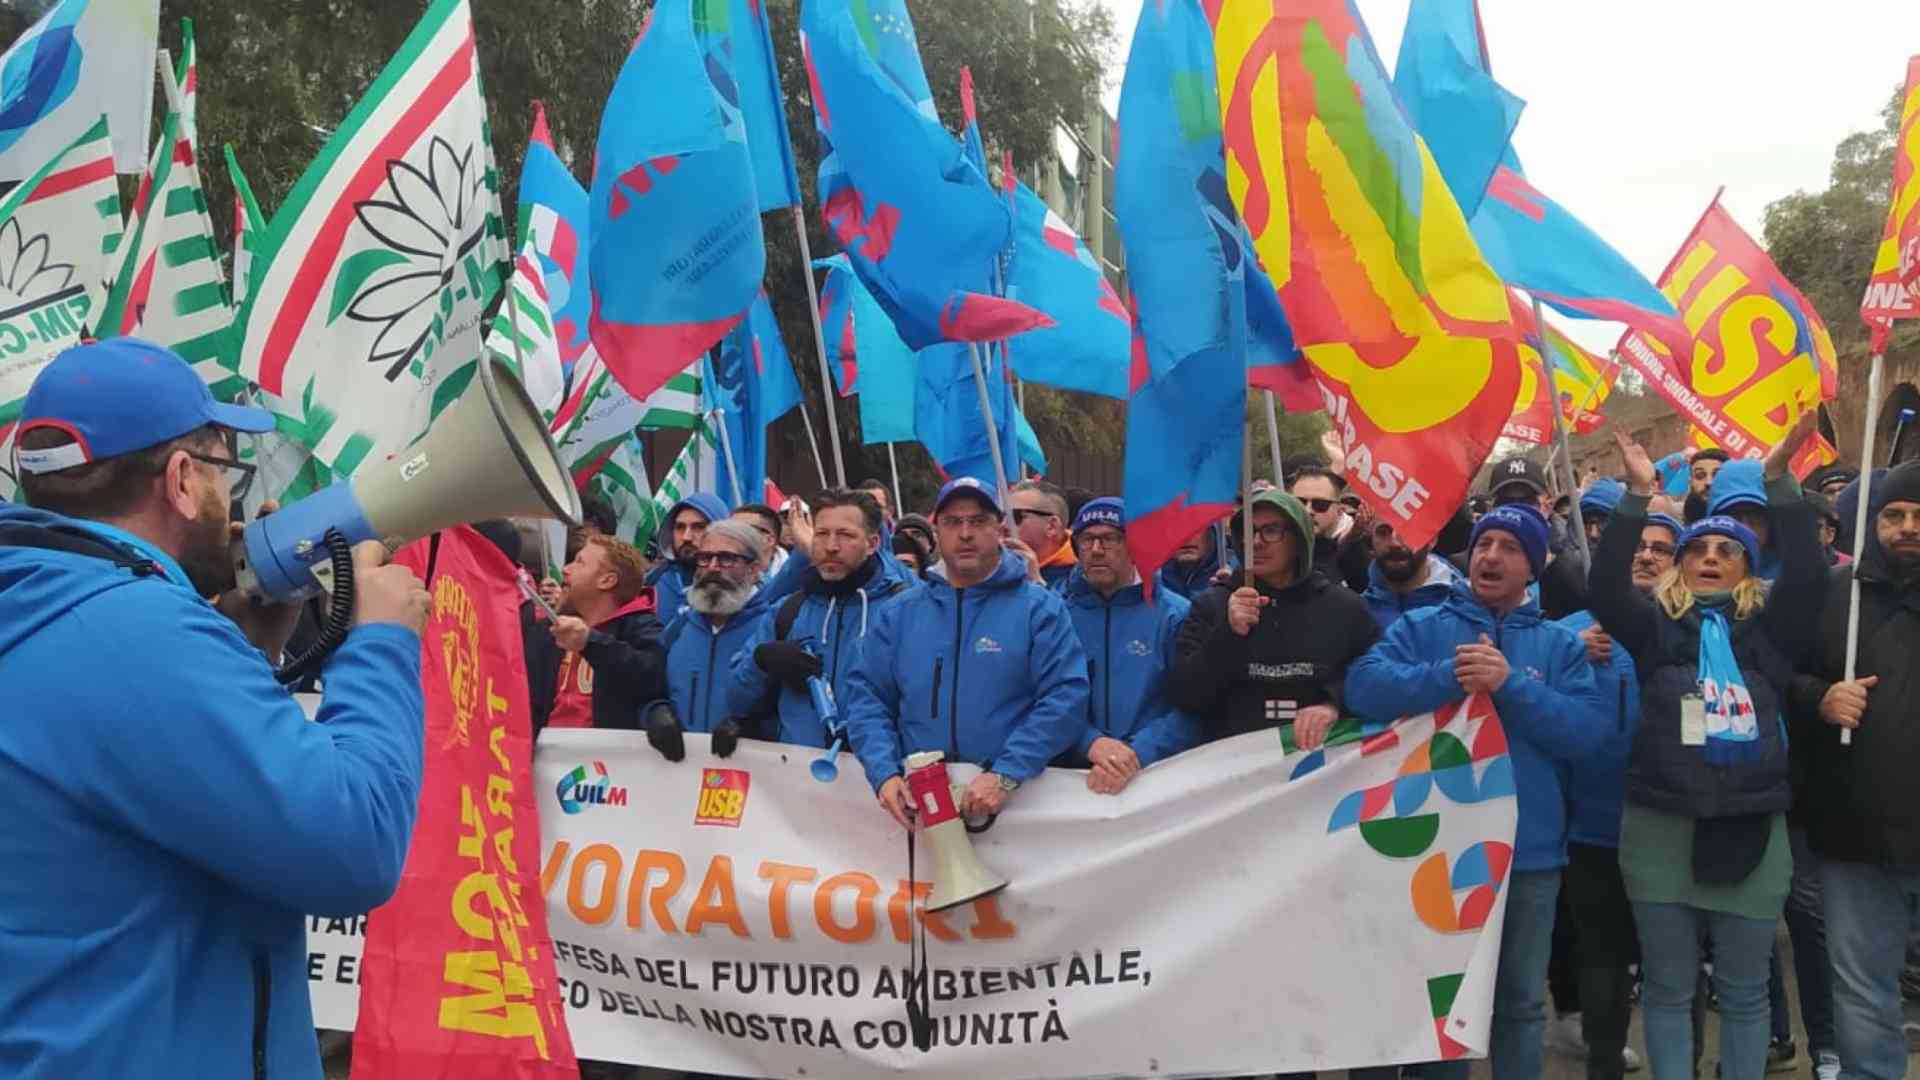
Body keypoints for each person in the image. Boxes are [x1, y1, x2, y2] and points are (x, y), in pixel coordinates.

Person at [0, 338, 431, 1077]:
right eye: (223, 469)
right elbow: (354, 846)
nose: (230, 498)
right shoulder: (141, 634)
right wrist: (380, 642)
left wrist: (245, 654)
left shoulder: (42, 600)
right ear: (181, 479)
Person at [1590, 417, 1824, 1080]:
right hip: (1660, 828)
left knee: (1746, 992)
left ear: (1748, 566)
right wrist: (1637, 496)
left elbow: (1810, 575)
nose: (1712, 557)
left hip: (1750, 830)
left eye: (1728, 549)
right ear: (1681, 565)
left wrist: (1780, 483)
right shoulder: (1652, 630)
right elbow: (1604, 589)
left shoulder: (1770, 633)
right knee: (1669, 988)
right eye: (1698, 550)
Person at [1346, 502, 1608, 1080]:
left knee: (1520, 1005)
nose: (1491, 556)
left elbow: (1587, 733)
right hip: (1438, 853)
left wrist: (1510, 686)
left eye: (1510, 548)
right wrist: (1447, 677)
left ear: (1533, 568)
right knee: (1442, 1005)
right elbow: (1363, 687)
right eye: (1484, 544)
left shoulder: (1559, 646)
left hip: (1528, 855)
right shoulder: (1423, 627)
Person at [844, 476, 1089, 828]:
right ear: (937, 530)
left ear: (1000, 528)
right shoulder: (899, 613)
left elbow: (1065, 697)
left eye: (978, 521)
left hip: (1014, 807)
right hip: (918, 803)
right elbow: (867, 697)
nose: (965, 533)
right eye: (952, 522)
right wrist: (884, 773)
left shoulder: (1040, 609)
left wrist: (1007, 774)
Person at [1793, 460, 1920, 1080]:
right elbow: (1782, 673)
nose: (1907, 527)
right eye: (1894, 515)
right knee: (1864, 990)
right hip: (1857, 830)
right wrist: (1821, 697)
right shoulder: (1835, 594)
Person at [1557, 511, 1682, 1080]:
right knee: (1602, 957)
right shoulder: (1572, 630)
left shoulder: (1689, 629)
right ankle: (1602, 1059)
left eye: (1661, 548)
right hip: (1591, 825)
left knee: (1665, 959)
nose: (1646, 556)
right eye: (1637, 545)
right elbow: (1523, 669)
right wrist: (1570, 649)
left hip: (1668, 823)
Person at [1169, 490, 1379, 752]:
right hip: (1234, 765)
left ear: (1299, 539)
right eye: (1249, 532)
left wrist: (1334, 703)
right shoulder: (1212, 605)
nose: (1256, 542)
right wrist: (1227, 633)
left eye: (1271, 531)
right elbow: (1185, 696)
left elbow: (1373, 677)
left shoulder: (1345, 607)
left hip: (1318, 764)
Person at [730, 488, 920, 749]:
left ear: (873, 544)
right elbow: (735, 701)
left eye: (845, 535)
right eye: (821, 534)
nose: (831, 547)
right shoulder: (788, 611)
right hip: (795, 769)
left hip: (878, 770)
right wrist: (760, 661)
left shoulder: (903, 611)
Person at [1058, 498, 1201, 793]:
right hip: (1068, 779)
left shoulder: (1176, 615)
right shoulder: (1054, 614)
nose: (1097, 549)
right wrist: (1090, 742)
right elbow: (1038, 696)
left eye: (1110, 538)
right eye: (1086, 539)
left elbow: (1194, 705)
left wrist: (1137, 753)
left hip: (1152, 777)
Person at [649, 520, 775, 761]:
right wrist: (655, 711)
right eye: (705, 558)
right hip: (679, 769)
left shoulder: (771, 626)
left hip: (749, 773)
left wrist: (752, 726)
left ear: (754, 569)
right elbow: (652, 686)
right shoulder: (680, 626)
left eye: (727, 559)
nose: (713, 568)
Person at [527, 533, 666, 736]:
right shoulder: (547, 631)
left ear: (607, 580)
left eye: (579, 562)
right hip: (546, 752)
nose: (565, 569)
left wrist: (590, 643)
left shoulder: (640, 628)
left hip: (606, 755)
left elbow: (651, 677)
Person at [1360, 520, 1461, 629]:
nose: (1395, 544)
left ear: (1432, 540)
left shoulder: (1460, 611)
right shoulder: (1358, 612)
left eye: (1408, 531)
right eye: (1383, 533)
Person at [1290, 465, 1371, 592]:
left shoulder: (1355, 557)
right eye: (1299, 503)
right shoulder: (1270, 553)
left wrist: (1351, 541)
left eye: (1320, 505)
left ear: (1339, 510)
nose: (1308, 511)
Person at [647, 492, 727, 619]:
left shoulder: (734, 586)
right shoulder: (654, 581)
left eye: (699, 527)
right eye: (680, 527)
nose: (686, 537)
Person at [1009, 478, 1079, 589]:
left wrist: (1038, 585)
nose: (1003, 525)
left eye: (1015, 516)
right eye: (1001, 516)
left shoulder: (1084, 577)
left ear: (1051, 526)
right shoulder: (994, 572)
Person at [1156, 520, 1237, 601]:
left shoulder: (1237, 572)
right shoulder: (1155, 577)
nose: (1186, 538)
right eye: (1176, 529)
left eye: (1195, 528)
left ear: (1212, 533)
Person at [731, 502, 788, 578]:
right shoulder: (718, 571)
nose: (731, 535)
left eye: (743, 530)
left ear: (769, 540)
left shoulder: (796, 577)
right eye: (729, 529)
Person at [1683, 448, 1731, 523]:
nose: (1709, 482)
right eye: (1700, 475)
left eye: (1717, 475)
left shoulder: (1745, 521)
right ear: (1690, 482)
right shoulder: (1675, 521)